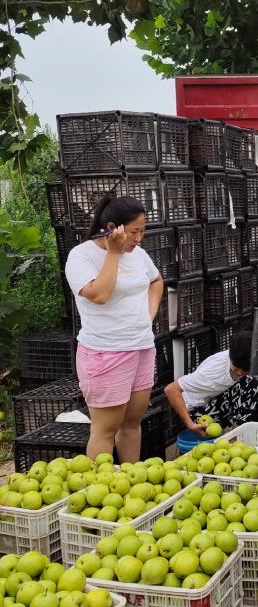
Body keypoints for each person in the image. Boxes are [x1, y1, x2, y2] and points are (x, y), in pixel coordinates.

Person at [65, 195, 164, 461]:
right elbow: (100, 294)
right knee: (105, 429)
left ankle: (130, 482)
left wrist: (149, 314)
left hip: (142, 347)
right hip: (105, 353)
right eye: (134, 232)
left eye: (143, 231)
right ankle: (100, 490)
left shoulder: (139, 255)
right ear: (113, 228)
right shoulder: (81, 256)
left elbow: (156, 281)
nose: (139, 238)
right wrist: (114, 252)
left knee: (132, 423)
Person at [165, 332, 258, 440]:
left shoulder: (255, 358)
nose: (239, 372)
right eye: (236, 367)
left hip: (223, 397)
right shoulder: (212, 372)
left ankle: (252, 426)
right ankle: (243, 433)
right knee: (249, 383)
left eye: (245, 370)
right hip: (199, 410)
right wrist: (190, 424)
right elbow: (171, 389)